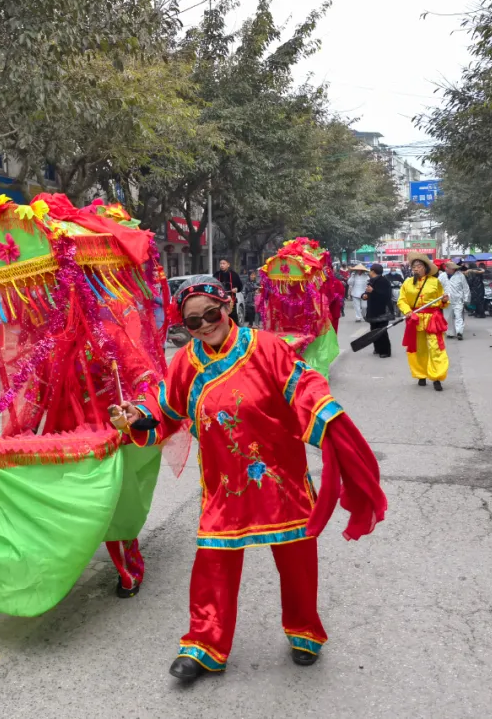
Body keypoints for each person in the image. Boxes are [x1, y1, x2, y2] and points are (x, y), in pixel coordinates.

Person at [109, 278, 386, 682]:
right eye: (192, 321)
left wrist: (321, 409)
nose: (204, 325)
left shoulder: (265, 346)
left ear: (228, 306)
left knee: (296, 560)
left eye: (211, 314)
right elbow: (165, 404)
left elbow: (303, 382)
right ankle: (205, 645)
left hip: (279, 477)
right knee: (213, 562)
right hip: (224, 483)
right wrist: (136, 414)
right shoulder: (186, 361)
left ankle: (304, 632)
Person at [397, 253, 449, 391]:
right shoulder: (407, 283)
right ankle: (421, 375)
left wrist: (444, 300)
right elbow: (401, 300)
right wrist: (407, 311)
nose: (416, 269)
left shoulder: (434, 282)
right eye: (414, 266)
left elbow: (442, 301)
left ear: (425, 268)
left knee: (436, 348)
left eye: (419, 266)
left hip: (433, 319)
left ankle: (437, 377)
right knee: (418, 349)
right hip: (415, 319)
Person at [363, 264, 392, 357]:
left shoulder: (384, 281)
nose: (369, 272)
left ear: (373, 271)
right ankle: (377, 348)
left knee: (382, 331)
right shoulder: (371, 281)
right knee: (374, 330)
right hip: (373, 309)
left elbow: (385, 296)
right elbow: (368, 292)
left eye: (370, 270)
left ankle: (385, 351)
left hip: (382, 310)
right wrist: (364, 295)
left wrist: (373, 291)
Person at [443, 262, 469, 339]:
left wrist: (466, 299)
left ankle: (459, 332)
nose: (446, 269)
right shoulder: (442, 276)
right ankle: (450, 333)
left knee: (459, 316)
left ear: (453, 269)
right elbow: (437, 286)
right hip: (446, 300)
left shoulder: (460, 276)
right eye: (446, 267)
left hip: (458, 300)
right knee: (447, 317)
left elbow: (466, 288)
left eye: (448, 267)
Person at [214, 258, 242, 324]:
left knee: (233, 318)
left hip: (231, 301)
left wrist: (236, 289)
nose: (222, 265)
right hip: (219, 301)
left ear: (228, 265)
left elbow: (240, 286)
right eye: (220, 264)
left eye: (224, 263)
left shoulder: (234, 275)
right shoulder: (216, 275)